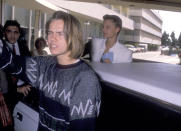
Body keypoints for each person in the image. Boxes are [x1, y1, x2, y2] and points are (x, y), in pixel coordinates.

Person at [0, 11, 101, 131]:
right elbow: (11, 63)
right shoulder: (45, 64)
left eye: (60, 33)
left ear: (73, 37)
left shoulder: (84, 79)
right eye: (50, 32)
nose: (52, 38)